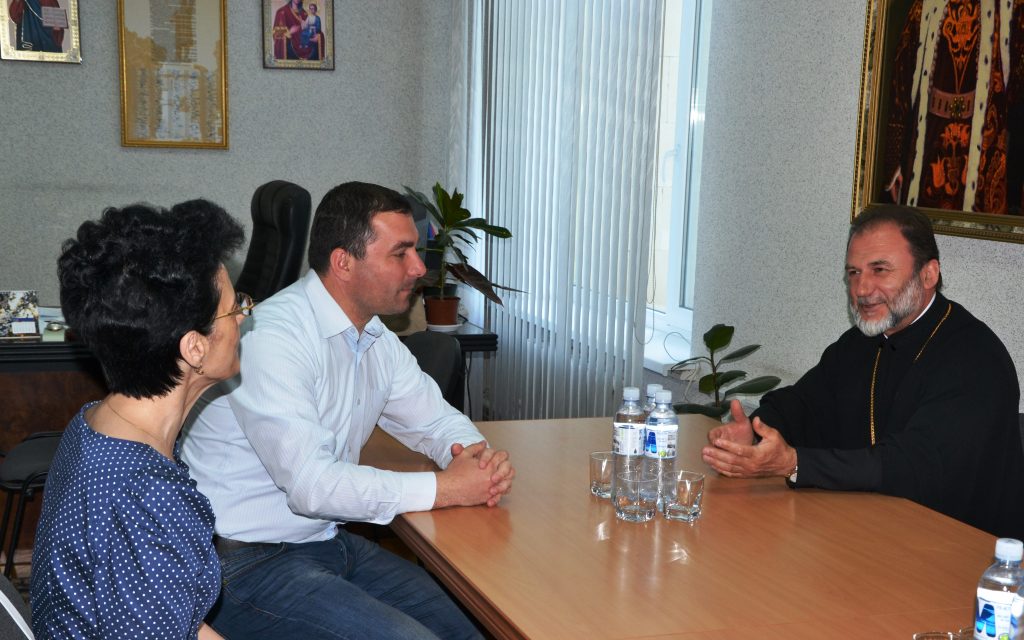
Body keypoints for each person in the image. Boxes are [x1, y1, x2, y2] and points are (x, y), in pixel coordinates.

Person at [181, 181, 515, 640]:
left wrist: (476, 459)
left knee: (475, 625)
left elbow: (435, 419)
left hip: (324, 541)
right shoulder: (272, 338)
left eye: (416, 251)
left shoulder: (374, 336)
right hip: (244, 563)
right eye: (400, 254)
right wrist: (447, 488)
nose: (419, 268)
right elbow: (313, 486)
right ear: (343, 262)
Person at [701, 205, 1024, 537]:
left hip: (958, 547)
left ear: (928, 275)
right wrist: (754, 434)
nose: (861, 289)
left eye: (879, 270)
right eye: (853, 273)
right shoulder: (862, 342)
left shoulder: (976, 358)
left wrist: (796, 464)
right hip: (866, 529)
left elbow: (914, 466)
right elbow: (803, 405)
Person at [30, 200, 246, 639]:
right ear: (195, 348)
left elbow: (172, 616)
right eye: (233, 306)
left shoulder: (97, 422)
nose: (243, 314)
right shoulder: (147, 496)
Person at [882, 0, 1023, 214]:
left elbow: (1017, 90)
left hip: (984, 155)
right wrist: (893, 167)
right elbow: (901, 81)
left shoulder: (1009, 8)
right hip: (929, 147)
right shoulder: (923, 7)